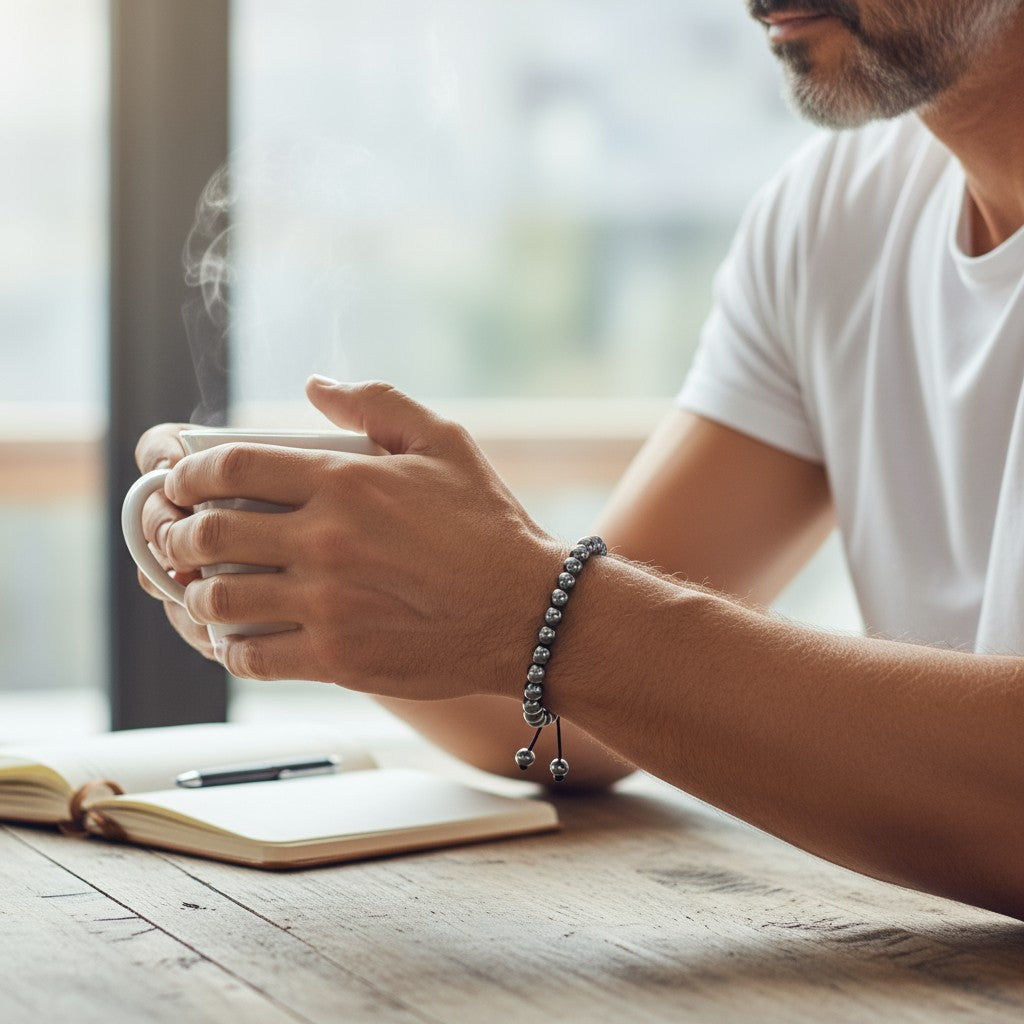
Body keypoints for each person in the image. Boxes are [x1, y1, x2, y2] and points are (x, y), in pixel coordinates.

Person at [134, 0, 1024, 920]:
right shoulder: (837, 218)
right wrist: (310, 580)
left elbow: (577, 644)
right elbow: (579, 708)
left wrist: (531, 611)